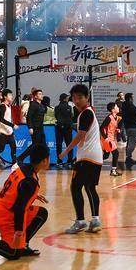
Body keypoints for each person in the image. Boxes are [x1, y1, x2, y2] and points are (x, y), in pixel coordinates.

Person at [59, 83, 103, 234]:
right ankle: (95, 220)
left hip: (86, 157)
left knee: (75, 187)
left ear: (87, 98)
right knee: (90, 187)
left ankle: (80, 221)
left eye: (80, 98)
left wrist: (66, 151)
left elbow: (80, 135)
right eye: (74, 98)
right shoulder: (89, 113)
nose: (76, 101)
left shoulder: (86, 113)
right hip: (95, 156)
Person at [53, 93, 75, 169]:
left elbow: (56, 116)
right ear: (65, 99)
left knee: (59, 145)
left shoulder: (56, 107)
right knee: (69, 144)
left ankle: (59, 161)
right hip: (68, 128)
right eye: (67, 98)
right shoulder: (69, 107)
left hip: (59, 128)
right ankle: (70, 161)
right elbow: (72, 116)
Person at [120, 92, 136, 168]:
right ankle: (128, 157)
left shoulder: (123, 105)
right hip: (133, 126)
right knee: (132, 143)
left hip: (127, 126)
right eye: (132, 97)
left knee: (129, 141)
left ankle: (129, 158)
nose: (133, 99)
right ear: (129, 98)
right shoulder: (131, 106)